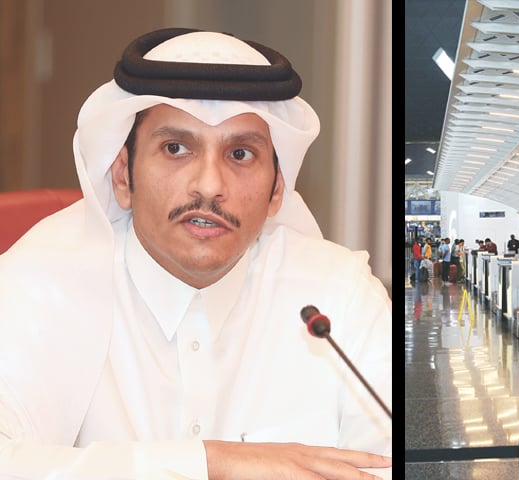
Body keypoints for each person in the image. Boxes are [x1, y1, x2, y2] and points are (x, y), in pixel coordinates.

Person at [0, 28, 391, 479]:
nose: (209, 185)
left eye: (240, 153)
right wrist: (211, 462)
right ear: (123, 176)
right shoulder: (42, 285)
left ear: (277, 190)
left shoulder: (340, 300)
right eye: (176, 149)